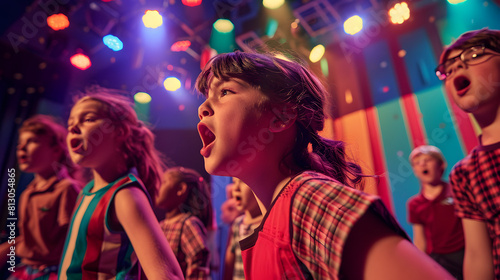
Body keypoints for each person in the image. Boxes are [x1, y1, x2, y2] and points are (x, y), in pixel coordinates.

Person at [195, 51, 454, 279]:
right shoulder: (276, 216)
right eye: (207, 97)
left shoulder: (309, 200)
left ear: (282, 116)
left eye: (225, 91)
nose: (203, 107)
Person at [58, 87, 183, 280]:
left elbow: (168, 275)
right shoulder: (87, 191)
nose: (73, 128)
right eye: (70, 124)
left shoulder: (125, 194)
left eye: (88, 119)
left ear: (120, 132)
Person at [435, 28, 500, 280]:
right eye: (448, 70)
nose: (456, 70)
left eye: (473, 55)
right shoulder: (464, 174)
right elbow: (476, 257)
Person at [0, 115, 81, 280]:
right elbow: (34, 239)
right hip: (25, 270)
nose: (22, 147)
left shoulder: (66, 189)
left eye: (32, 141)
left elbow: (74, 239)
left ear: (57, 150)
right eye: (19, 143)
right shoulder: (28, 192)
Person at [407, 145, 464, 279]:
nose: (422, 164)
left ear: (441, 165)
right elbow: (420, 240)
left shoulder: (456, 191)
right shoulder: (414, 203)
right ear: (415, 170)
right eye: (417, 163)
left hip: (464, 253)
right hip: (439, 259)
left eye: (428, 160)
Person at [156, 166, 213, 279]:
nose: (156, 186)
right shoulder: (160, 225)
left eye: (163, 182)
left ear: (180, 189)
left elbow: (198, 267)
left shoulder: (188, 224)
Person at [223, 178, 263, 280]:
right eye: (234, 182)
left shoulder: (267, 224)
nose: (235, 188)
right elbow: (229, 264)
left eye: (243, 182)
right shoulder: (237, 224)